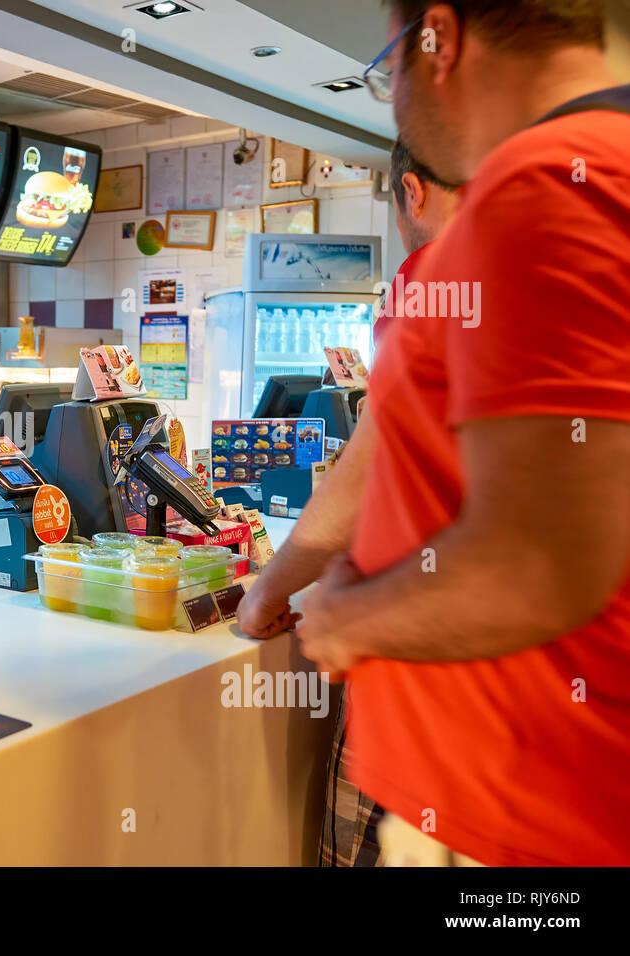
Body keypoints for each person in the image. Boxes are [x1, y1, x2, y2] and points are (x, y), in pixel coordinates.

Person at [298, 0, 630, 865]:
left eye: (389, 68)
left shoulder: (548, 186)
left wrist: (346, 619)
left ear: (436, 40)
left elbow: (538, 564)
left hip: (519, 822)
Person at [243, 140, 459, 866]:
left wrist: (269, 588)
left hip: (429, 683)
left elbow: (370, 472)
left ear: (414, 194)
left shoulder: (435, 278)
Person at [374, 139, 461, 345]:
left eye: (396, 208)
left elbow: (394, 373)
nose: (398, 225)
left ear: (413, 193)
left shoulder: (427, 268)